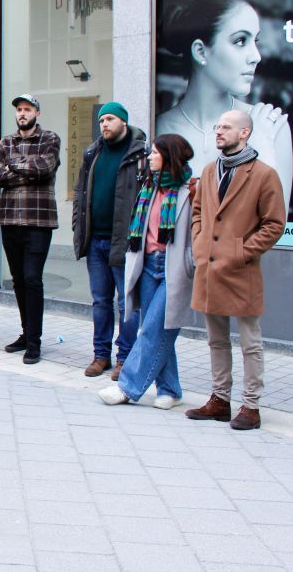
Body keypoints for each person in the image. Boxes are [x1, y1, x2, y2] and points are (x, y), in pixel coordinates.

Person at [185, 109, 286, 430]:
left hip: (242, 270)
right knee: (215, 340)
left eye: (226, 127)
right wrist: (200, 244)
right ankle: (219, 400)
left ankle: (251, 406)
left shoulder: (263, 174)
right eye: (217, 126)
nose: (218, 132)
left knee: (250, 343)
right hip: (209, 269)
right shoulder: (210, 170)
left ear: (245, 133)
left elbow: (274, 224)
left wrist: (242, 251)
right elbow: (198, 210)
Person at [157, 0, 292, 212]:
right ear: (201, 52)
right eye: (240, 41)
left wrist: (261, 150)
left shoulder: (270, 126)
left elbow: (275, 228)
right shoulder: (157, 128)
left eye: (255, 41)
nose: (256, 56)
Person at [98, 134, 196, 410]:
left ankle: (128, 387)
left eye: (154, 153)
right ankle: (170, 388)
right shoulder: (149, 187)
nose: (150, 157)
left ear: (169, 156)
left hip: (174, 268)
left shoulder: (192, 189)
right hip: (149, 265)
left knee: (153, 329)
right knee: (156, 328)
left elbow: (198, 230)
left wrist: (192, 260)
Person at [72, 102, 146, 379]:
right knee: (100, 301)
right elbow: (80, 193)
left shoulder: (139, 154)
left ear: (123, 122)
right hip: (96, 241)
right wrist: (79, 228)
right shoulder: (93, 153)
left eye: (110, 119)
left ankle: (124, 357)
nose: (104, 124)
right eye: (101, 120)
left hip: (125, 242)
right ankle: (100, 355)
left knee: (126, 303)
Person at [0, 94, 60, 364]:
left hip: (38, 221)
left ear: (37, 113)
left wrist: (13, 168)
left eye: (27, 109)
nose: (22, 113)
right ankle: (25, 333)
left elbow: (45, 167)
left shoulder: (49, 139)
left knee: (32, 279)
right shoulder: (6, 141)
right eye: (19, 109)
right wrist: (24, 172)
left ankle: (34, 342)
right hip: (10, 221)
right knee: (19, 280)